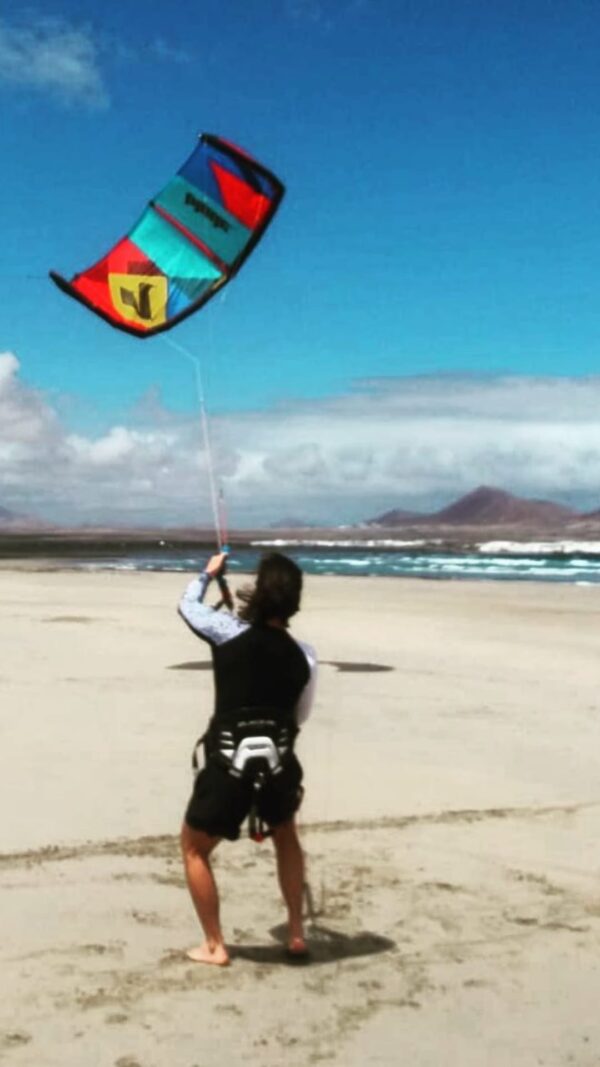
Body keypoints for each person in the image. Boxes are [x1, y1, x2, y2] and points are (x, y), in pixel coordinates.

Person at [178, 550, 317, 966]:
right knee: (286, 835)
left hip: (228, 766)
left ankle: (215, 945)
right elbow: (299, 716)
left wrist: (207, 574)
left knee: (194, 848)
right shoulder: (304, 654)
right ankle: (295, 934)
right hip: (277, 764)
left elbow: (187, 607)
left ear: (258, 592)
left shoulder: (226, 631)